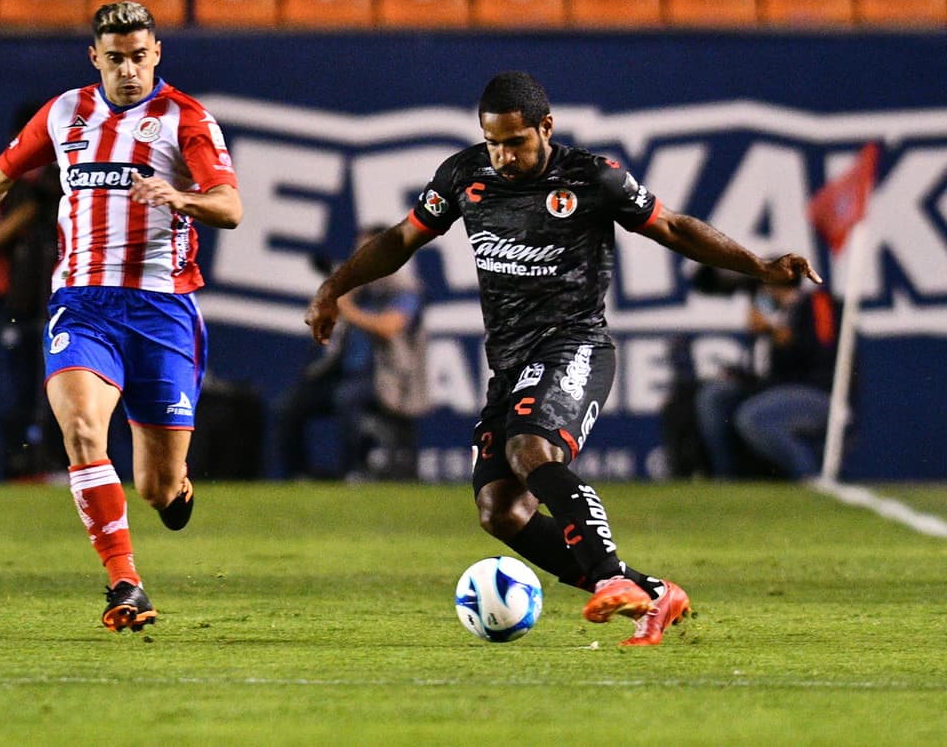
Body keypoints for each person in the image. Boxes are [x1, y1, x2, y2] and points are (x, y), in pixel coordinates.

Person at [306, 71, 821, 646]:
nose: (502, 155)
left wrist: (759, 266)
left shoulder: (593, 178)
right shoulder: (464, 175)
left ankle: (608, 579)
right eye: (493, 141)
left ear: (545, 127)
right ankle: (650, 592)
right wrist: (335, 287)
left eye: (516, 142)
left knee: (532, 447)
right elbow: (401, 239)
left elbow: (673, 227)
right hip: (509, 363)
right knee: (500, 511)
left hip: (575, 344)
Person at [0, 1, 242, 633]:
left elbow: (229, 206)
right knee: (80, 431)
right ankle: (125, 580)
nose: (128, 69)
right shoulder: (65, 112)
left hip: (162, 312)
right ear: (95, 58)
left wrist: (179, 195)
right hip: (83, 304)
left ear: (157, 55)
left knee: (155, 485)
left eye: (139, 56)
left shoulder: (185, 119)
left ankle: (176, 490)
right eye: (115, 58)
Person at [276, 225, 429, 480]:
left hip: (386, 377)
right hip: (343, 372)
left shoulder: (404, 288)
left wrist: (346, 307)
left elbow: (390, 327)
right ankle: (298, 475)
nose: (361, 257)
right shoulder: (355, 288)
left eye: (368, 251)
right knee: (291, 405)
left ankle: (354, 472)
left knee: (347, 399)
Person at [0, 106, 66, 481]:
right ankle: (22, 466)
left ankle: (62, 464)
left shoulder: (68, 180)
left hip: (63, 298)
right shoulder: (3, 182)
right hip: (15, 300)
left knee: (65, 387)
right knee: (22, 390)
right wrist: (29, 209)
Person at [695, 280, 841, 481]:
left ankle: (809, 478)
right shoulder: (770, 311)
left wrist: (777, 333)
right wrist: (738, 374)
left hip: (816, 392)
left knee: (753, 418)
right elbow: (764, 370)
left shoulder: (816, 303)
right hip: (773, 390)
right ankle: (728, 481)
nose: (763, 294)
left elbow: (821, 352)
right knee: (714, 397)